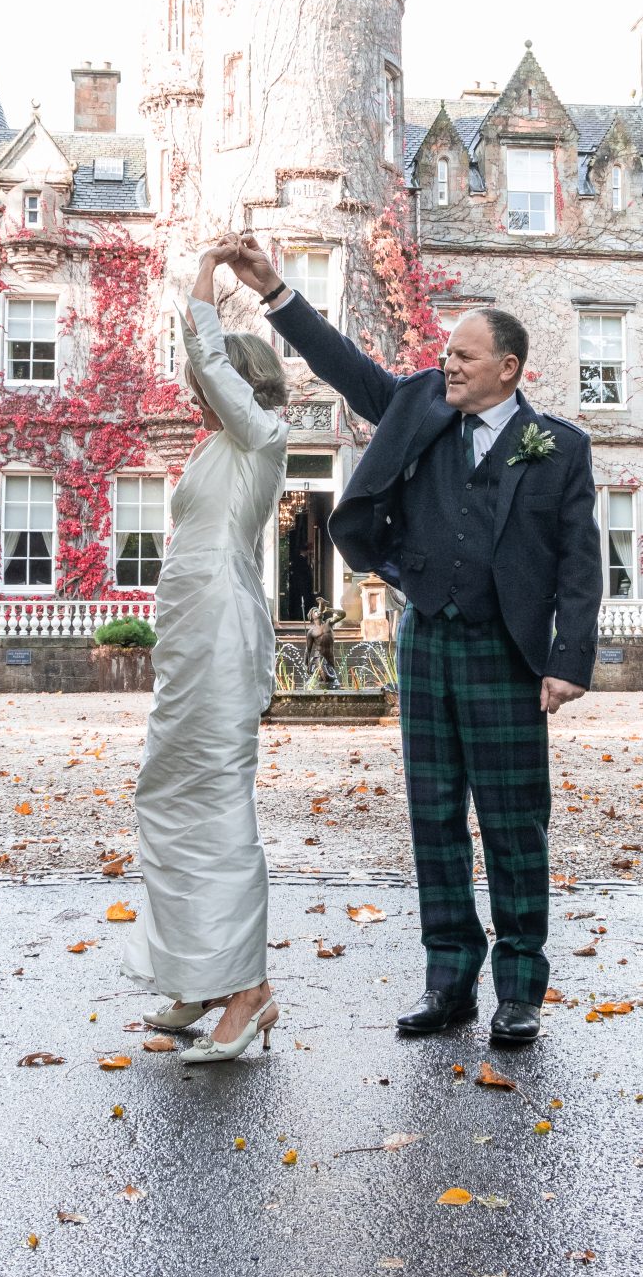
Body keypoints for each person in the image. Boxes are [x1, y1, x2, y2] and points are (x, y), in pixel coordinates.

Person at [223, 232, 603, 1049]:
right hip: (427, 642)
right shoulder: (421, 407)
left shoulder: (561, 449)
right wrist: (276, 292)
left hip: (509, 658)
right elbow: (345, 366)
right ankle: (448, 982)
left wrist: (569, 663)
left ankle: (520, 990)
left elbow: (580, 566)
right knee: (433, 819)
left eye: (465, 355)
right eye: (445, 352)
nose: (450, 364)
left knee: (512, 823)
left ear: (510, 367)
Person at [123, 246, 289, 1062]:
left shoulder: (262, 434)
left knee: (217, 805)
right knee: (165, 796)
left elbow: (205, 353)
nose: (196, 394)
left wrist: (205, 277)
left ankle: (249, 988)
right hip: (188, 632)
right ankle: (199, 972)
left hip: (222, 627)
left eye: (208, 383)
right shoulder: (216, 443)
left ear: (237, 379)